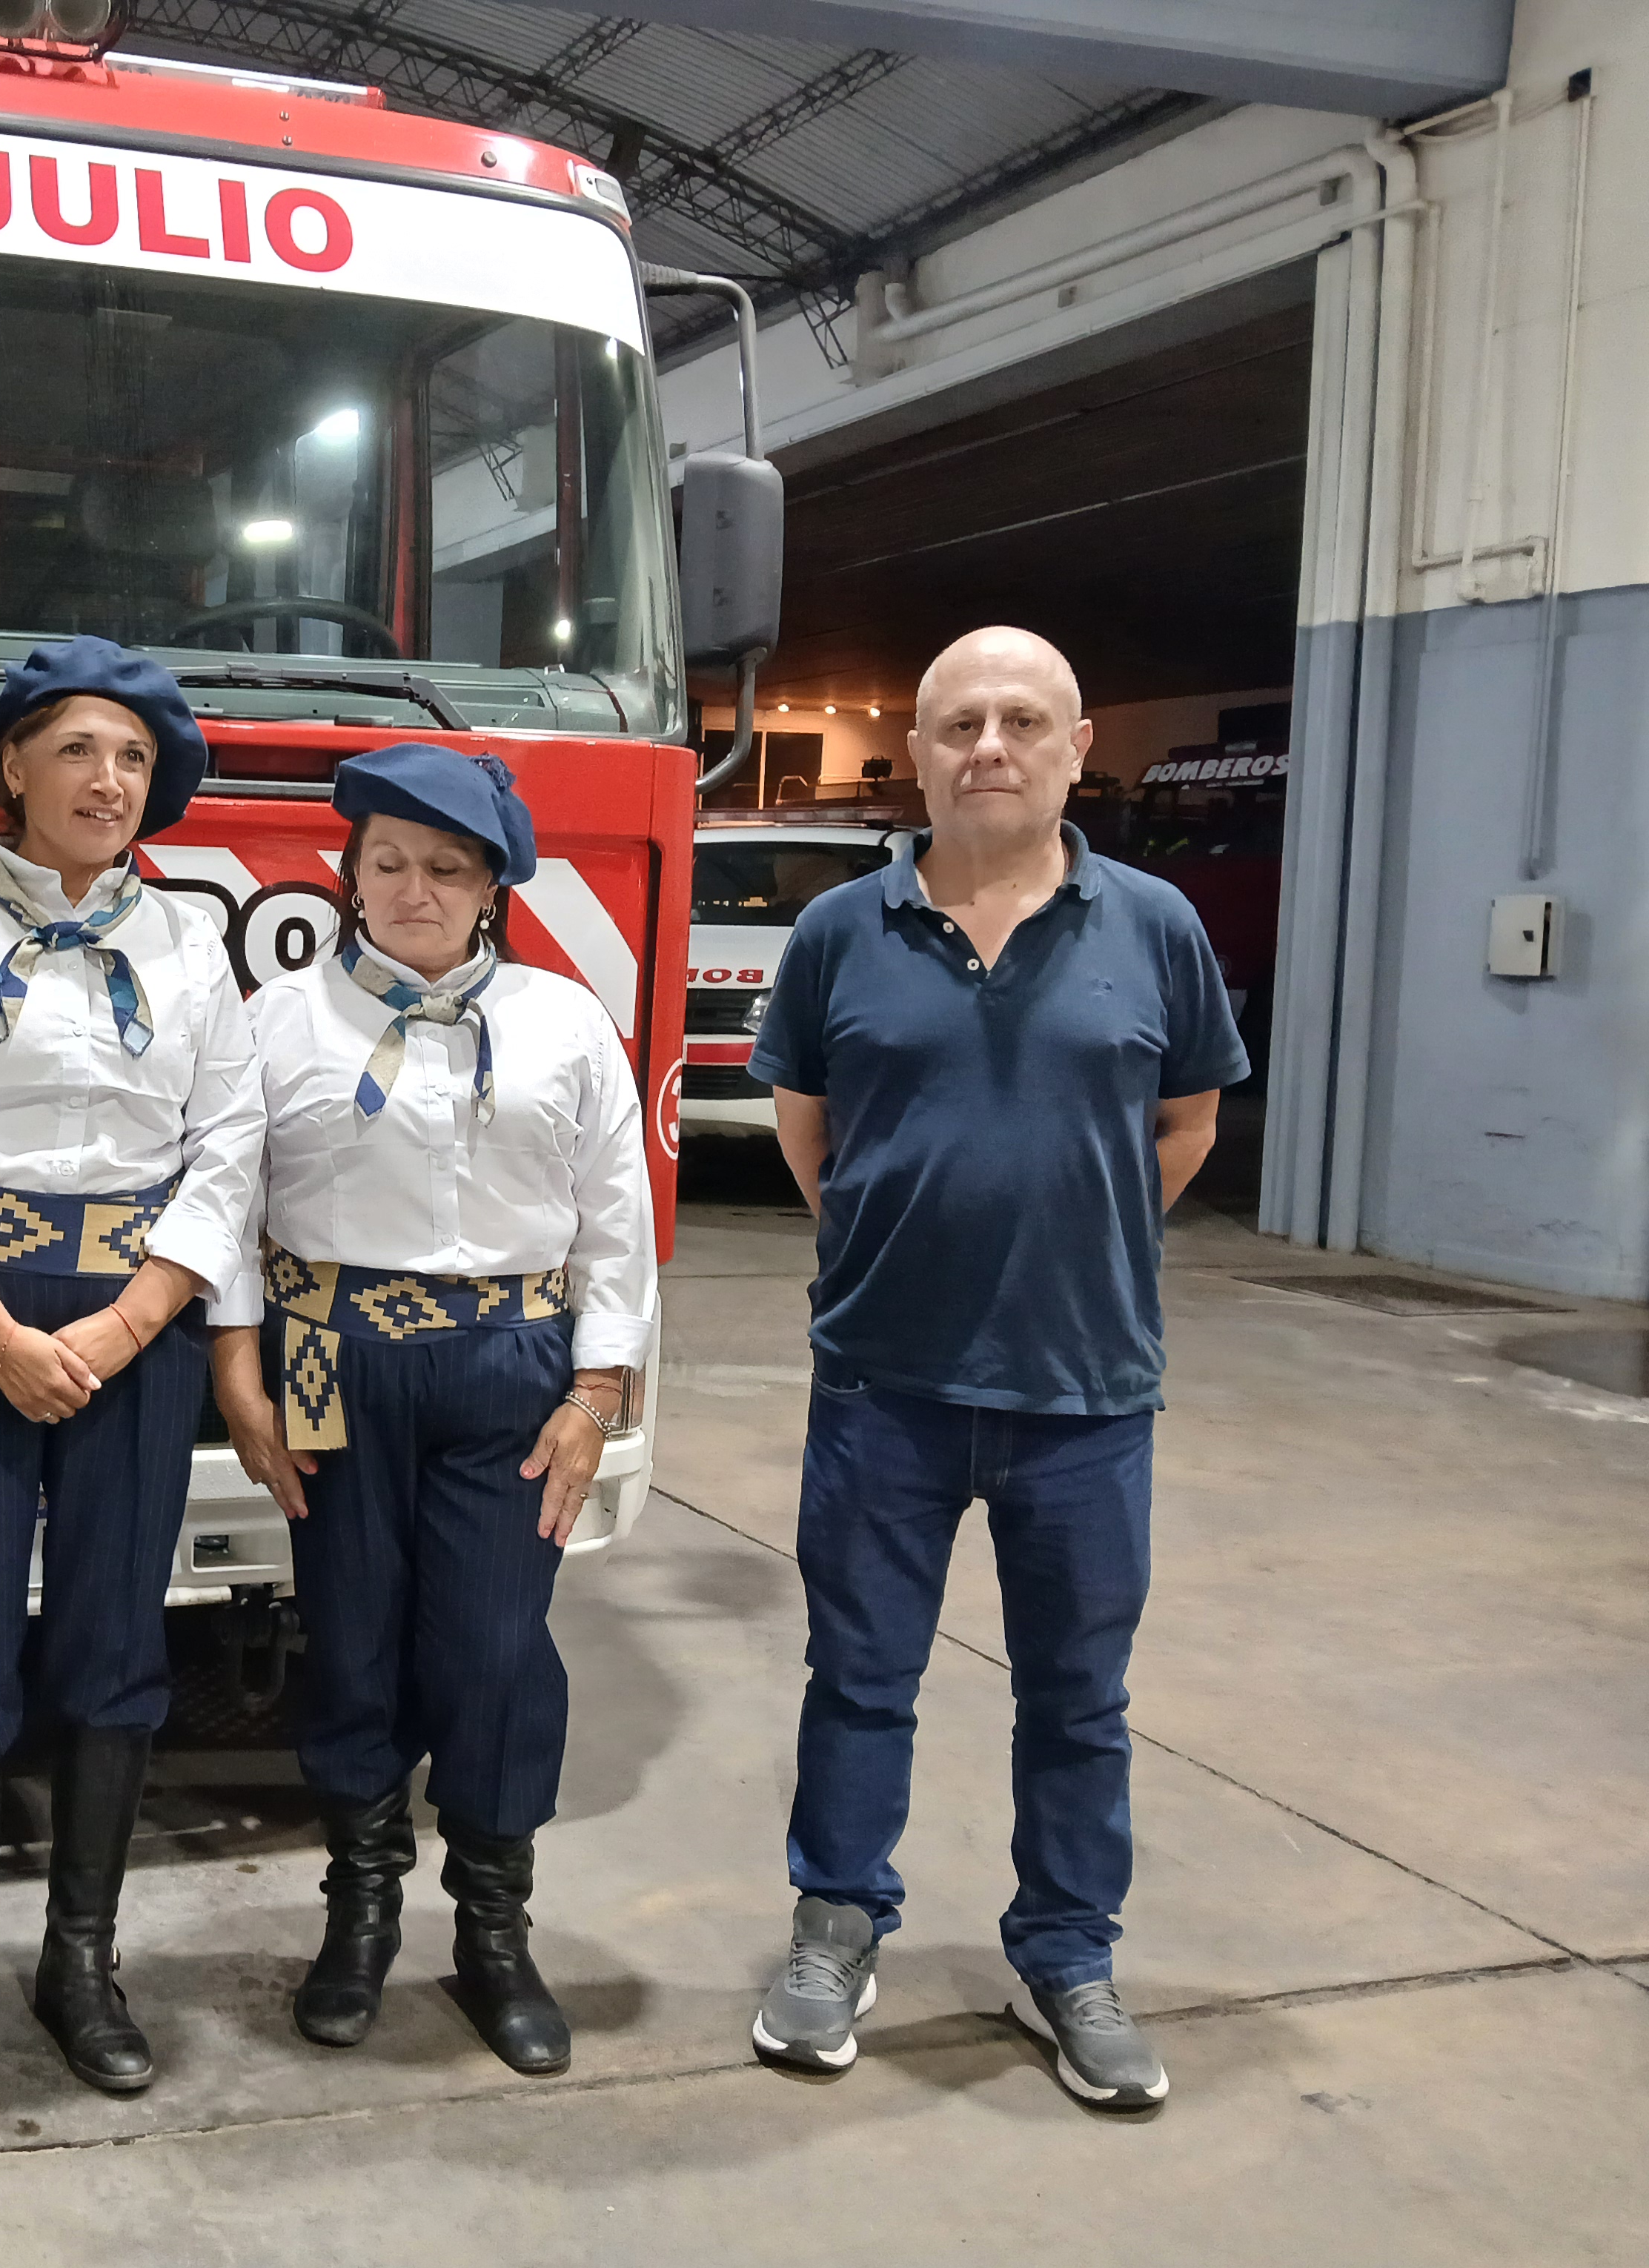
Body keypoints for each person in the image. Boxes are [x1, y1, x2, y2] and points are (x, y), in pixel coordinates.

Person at [742, 625, 1247, 2111]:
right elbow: (805, 1128)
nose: (992, 747)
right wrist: (904, 1247)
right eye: (961, 721)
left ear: (1080, 746)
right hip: (885, 1391)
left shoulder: (1154, 924)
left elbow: (1189, 1123)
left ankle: (1070, 1957)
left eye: (1025, 720)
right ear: (920, 749)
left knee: (1078, 1701)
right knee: (859, 1679)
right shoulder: (843, 929)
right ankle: (838, 1925)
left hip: (1087, 1397)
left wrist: (1074, 1243)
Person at [0, 637, 264, 2115]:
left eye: (137, 760)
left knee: (114, 1648)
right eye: (81, 749)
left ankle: (77, 1960)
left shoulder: (190, 941)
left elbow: (229, 1146)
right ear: (12, 765)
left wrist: (127, 1321)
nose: (110, 780)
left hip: (134, 1329)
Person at [210, 745, 656, 2078]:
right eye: (386, 863)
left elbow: (618, 1230)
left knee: (493, 1648)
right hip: (331, 1368)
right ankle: (358, 1919)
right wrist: (237, 1365)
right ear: (349, 874)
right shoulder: (275, 1017)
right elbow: (225, 1202)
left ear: (493, 889)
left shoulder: (565, 1024)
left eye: (445, 868)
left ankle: (495, 1936)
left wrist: (597, 1396)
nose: (411, 889)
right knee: (349, 1637)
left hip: (510, 1373)